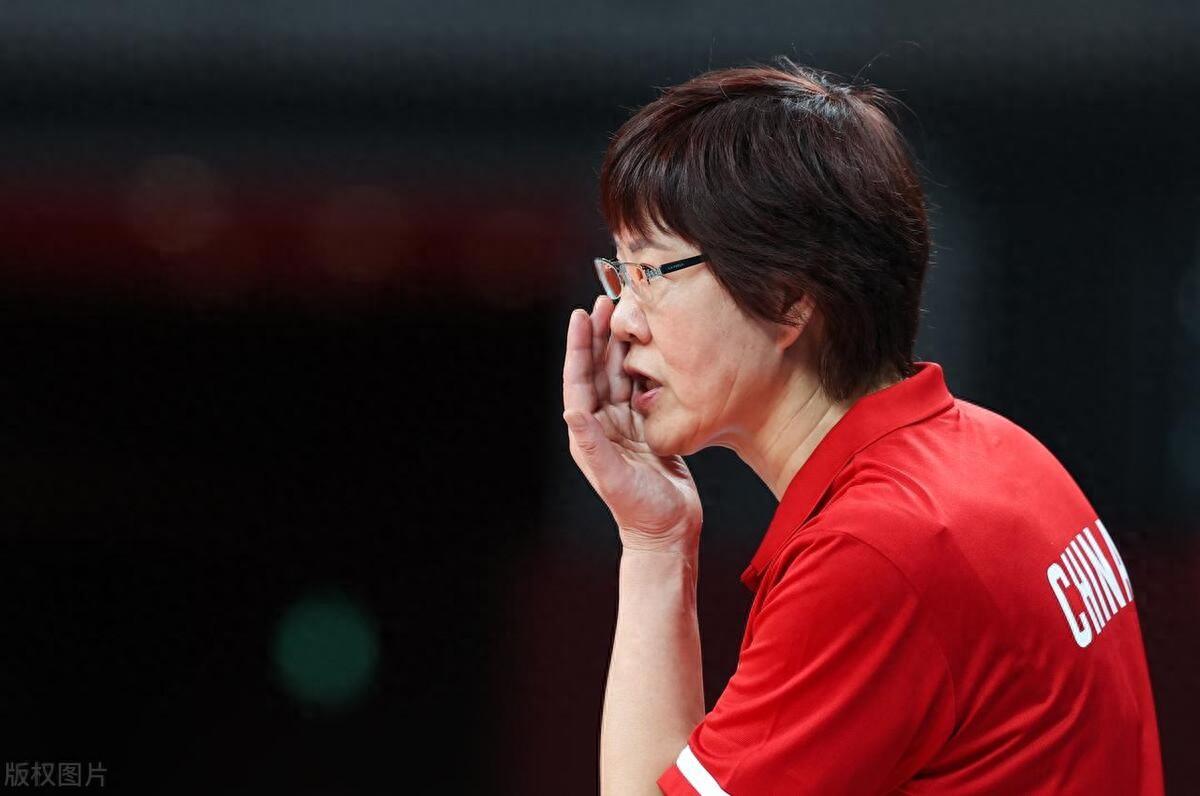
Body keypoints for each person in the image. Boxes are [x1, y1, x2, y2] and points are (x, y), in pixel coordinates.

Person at [561, 57, 1164, 795]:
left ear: (787, 297)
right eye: (618, 274)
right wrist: (655, 535)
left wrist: (653, 551)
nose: (622, 319)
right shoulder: (1005, 455)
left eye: (650, 273)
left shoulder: (875, 553)